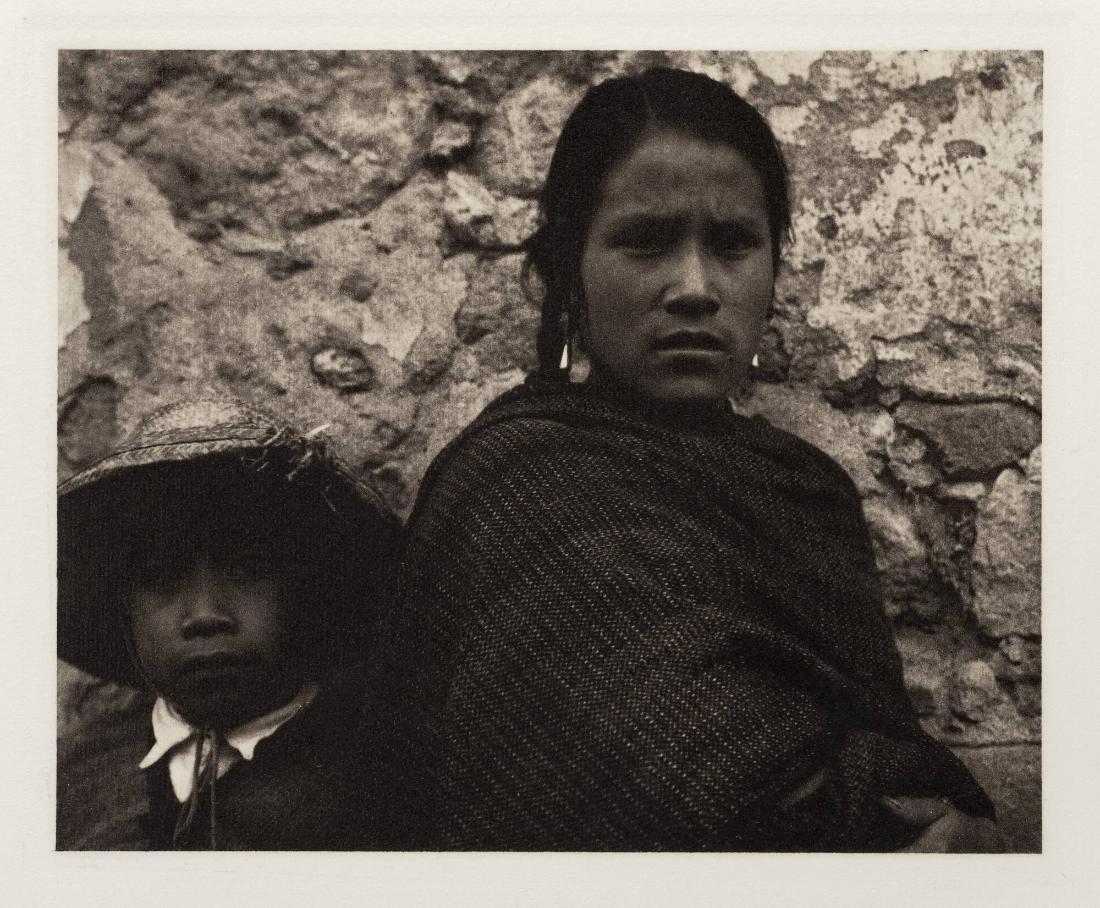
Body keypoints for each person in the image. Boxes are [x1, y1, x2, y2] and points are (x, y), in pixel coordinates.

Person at [359, 66, 1001, 851]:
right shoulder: (510, 489)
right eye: (645, 241)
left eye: (732, 244)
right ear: (569, 269)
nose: (695, 287)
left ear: (773, 271)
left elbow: (883, 757)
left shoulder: (807, 494)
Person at [57, 396, 399, 850]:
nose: (204, 616)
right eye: (160, 576)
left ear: (306, 590)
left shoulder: (376, 776)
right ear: (122, 609)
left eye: (249, 567)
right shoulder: (78, 777)